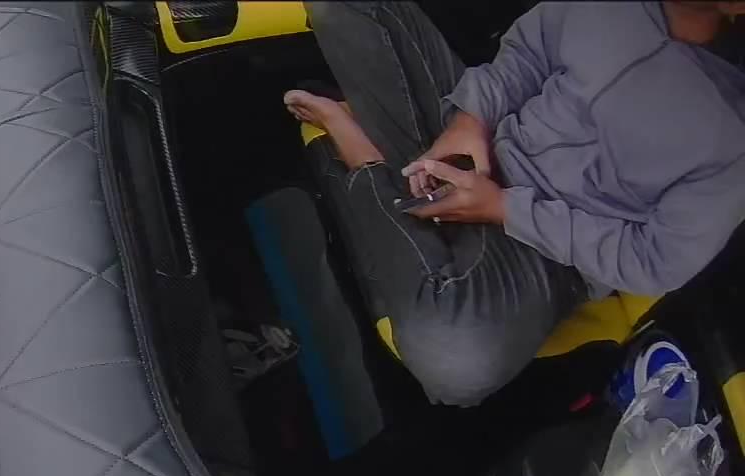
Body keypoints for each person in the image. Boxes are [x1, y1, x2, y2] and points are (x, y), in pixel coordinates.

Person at [283, 1, 745, 406]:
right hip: (482, 141)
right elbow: (529, 53)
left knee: (454, 362)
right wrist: (471, 119)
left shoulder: (733, 139)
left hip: (546, 253)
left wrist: (505, 208)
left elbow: (654, 259)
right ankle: (414, 196)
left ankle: (364, 157)